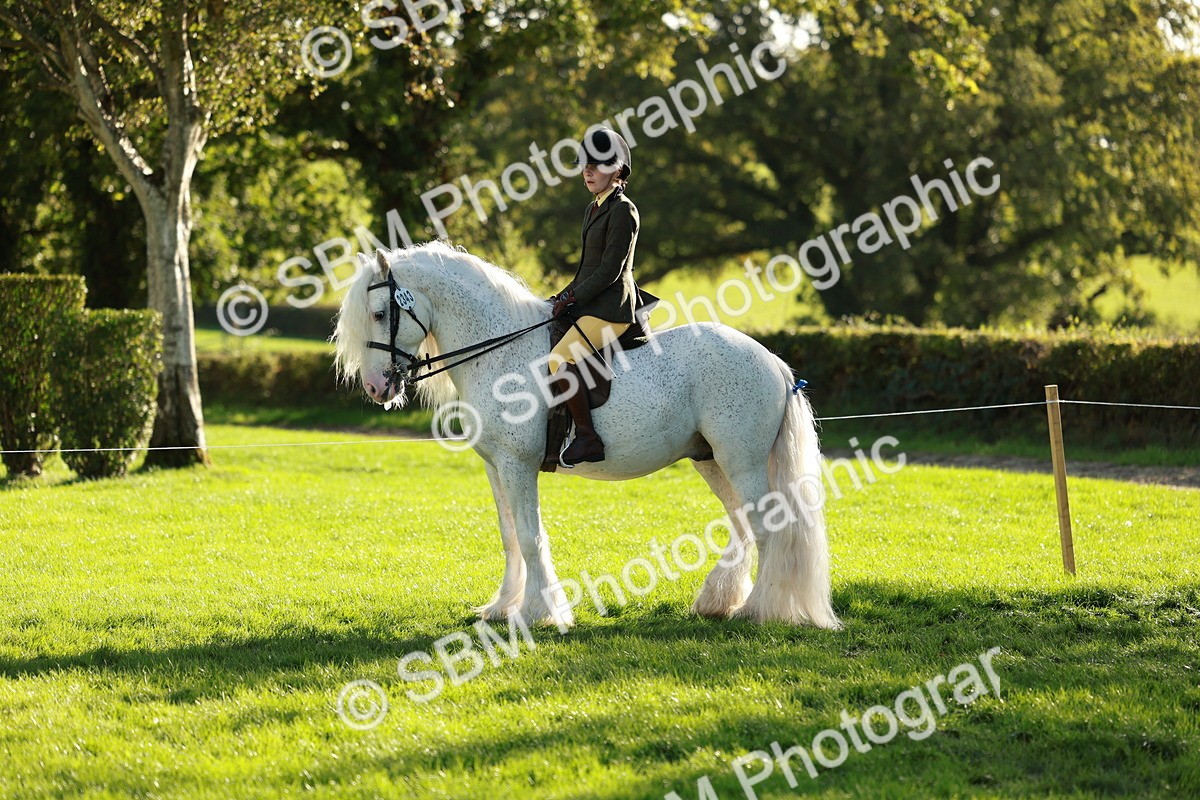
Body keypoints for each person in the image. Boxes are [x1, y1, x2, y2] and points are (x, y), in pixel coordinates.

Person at [547, 127, 641, 467]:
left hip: (611, 308)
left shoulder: (623, 211)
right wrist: (563, 295)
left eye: (597, 165)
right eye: (585, 164)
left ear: (617, 171)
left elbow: (609, 272)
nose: (588, 171)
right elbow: (587, 268)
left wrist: (573, 298)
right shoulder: (593, 208)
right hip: (592, 301)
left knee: (559, 359)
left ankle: (588, 438)